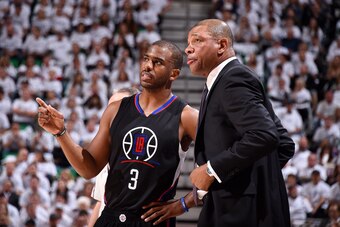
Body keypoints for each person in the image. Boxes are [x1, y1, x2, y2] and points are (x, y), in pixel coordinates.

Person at [36, 40, 198, 227]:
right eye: (146, 59)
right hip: (111, 217)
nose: (148, 66)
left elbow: (217, 166)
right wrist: (61, 133)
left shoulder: (187, 116)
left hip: (152, 221)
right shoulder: (115, 109)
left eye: (158, 62)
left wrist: (183, 204)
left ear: (174, 74)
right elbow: (89, 168)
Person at [185, 19, 295, 226]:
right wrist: (257, 180)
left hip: (239, 210)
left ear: (222, 45)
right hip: (243, 205)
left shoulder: (232, 80)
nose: (188, 49)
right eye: (188, 42)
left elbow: (264, 135)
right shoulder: (224, 80)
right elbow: (284, 144)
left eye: (197, 41)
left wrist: (213, 170)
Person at [88, 87, 139, 227]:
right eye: (110, 107)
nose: (113, 112)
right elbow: (100, 202)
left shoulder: (144, 152)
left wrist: (184, 203)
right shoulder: (106, 149)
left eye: (119, 106)